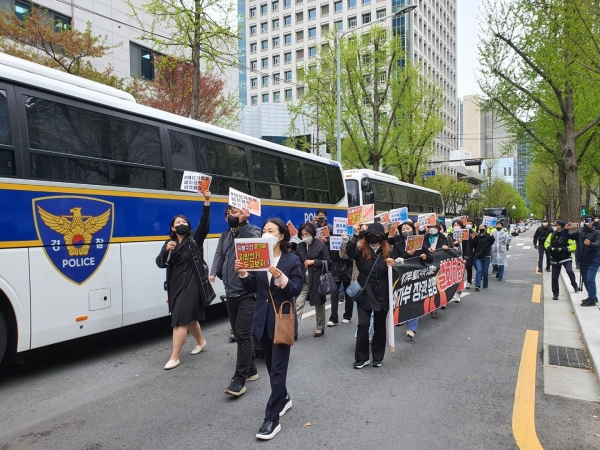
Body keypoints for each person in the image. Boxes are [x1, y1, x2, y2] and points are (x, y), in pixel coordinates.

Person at [235, 218, 303, 440]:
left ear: (281, 236)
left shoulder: (292, 259)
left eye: (271, 230)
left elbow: (295, 288)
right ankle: (283, 397)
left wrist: (281, 278)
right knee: (271, 367)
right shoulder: (258, 258)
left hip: (282, 321)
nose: (266, 233)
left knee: (278, 370)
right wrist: (244, 274)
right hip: (262, 321)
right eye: (264, 230)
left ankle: (271, 419)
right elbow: (253, 287)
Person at [156, 190, 213, 370]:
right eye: (178, 223)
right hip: (176, 285)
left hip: (193, 283)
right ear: (172, 228)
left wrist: (206, 201)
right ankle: (201, 341)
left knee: (180, 318)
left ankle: (175, 357)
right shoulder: (169, 244)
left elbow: (204, 224)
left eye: (184, 222)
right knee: (189, 319)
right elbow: (160, 263)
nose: (181, 224)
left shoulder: (194, 239)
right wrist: (166, 250)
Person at [210, 205, 262, 396]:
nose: (233, 216)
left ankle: (239, 379)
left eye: (237, 212)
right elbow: (219, 255)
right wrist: (214, 272)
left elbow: (259, 244)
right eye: (230, 213)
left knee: (243, 334)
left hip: (248, 291)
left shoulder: (252, 231)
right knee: (239, 334)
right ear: (225, 217)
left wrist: (245, 222)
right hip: (230, 291)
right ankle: (251, 370)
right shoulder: (225, 235)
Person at [346, 223, 395, 368]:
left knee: (380, 326)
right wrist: (355, 235)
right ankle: (362, 358)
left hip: (382, 292)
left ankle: (378, 357)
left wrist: (393, 264)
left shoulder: (388, 251)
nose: (374, 237)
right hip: (364, 291)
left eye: (377, 235)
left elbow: (397, 268)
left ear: (382, 237)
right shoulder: (361, 250)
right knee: (363, 324)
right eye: (370, 234)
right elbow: (349, 253)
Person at [391, 221, 431, 339]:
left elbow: (430, 258)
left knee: (415, 300)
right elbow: (395, 260)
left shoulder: (421, 242)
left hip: (418, 276)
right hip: (403, 277)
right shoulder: (398, 245)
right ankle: (403, 318)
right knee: (403, 300)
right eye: (403, 229)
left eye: (408, 228)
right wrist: (407, 254)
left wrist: (425, 256)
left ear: (413, 230)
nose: (406, 230)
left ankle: (412, 328)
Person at [293, 222, 332, 337]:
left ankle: (320, 328)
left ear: (312, 233)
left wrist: (314, 262)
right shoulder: (300, 246)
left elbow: (328, 262)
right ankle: (293, 330)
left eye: (307, 234)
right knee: (298, 303)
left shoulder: (320, 245)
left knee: (319, 304)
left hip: (317, 280)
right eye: (303, 234)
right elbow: (295, 261)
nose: (305, 236)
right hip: (303, 280)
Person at [567, 218, 600, 306]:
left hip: (593, 261)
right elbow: (567, 236)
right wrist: (566, 229)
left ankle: (592, 299)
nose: (584, 223)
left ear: (592, 222)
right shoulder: (579, 233)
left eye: (586, 221)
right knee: (585, 280)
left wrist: (590, 244)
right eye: (582, 221)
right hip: (582, 260)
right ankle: (592, 296)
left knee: (590, 279)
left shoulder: (596, 232)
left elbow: (598, 244)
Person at [544, 220, 578, 300]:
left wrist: (563, 249)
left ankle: (574, 285)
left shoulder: (567, 235)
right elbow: (546, 243)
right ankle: (555, 294)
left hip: (566, 258)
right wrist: (551, 248)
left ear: (560, 226)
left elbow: (573, 246)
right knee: (554, 278)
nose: (555, 226)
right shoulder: (552, 235)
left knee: (569, 271)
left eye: (556, 225)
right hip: (555, 258)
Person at [422, 221, 450, 317]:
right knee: (425, 286)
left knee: (435, 286)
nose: (432, 228)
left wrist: (446, 248)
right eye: (430, 226)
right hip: (424, 264)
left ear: (439, 228)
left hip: (438, 265)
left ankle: (434, 308)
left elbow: (448, 250)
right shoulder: (423, 237)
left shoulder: (443, 238)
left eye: (434, 226)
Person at [327, 234, 354, 327]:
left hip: (347, 269)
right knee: (334, 293)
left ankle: (347, 315)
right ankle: (333, 318)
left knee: (349, 293)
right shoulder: (331, 239)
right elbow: (328, 255)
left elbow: (351, 255)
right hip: (335, 269)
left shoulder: (350, 238)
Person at [472, 223, 495, 291]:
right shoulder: (477, 236)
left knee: (485, 272)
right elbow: (472, 245)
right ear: (478, 228)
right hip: (477, 256)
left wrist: (490, 230)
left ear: (485, 228)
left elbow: (492, 240)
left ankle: (485, 285)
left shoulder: (488, 236)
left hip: (486, 256)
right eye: (480, 226)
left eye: (482, 226)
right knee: (479, 270)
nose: (481, 227)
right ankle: (477, 285)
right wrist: (473, 238)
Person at [464, 218, 476, 288]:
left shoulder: (473, 233)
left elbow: (473, 244)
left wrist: (473, 238)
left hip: (469, 252)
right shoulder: (461, 231)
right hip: (462, 252)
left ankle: (469, 281)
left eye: (470, 223)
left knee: (469, 268)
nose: (469, 224)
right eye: (468, 223)